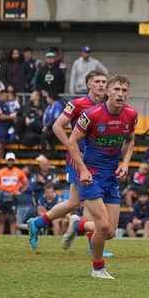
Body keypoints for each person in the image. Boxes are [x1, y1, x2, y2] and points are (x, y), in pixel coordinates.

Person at [65, 75, 138, 277]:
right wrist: (83, 169)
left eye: (124, 91)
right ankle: (98, 268)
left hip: (111, 175)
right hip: (91, 174)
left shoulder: (131, 115)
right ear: (108, 91)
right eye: (116, 90)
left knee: (111, 232)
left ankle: (78, 224)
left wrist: (125, 162)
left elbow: (130, 141)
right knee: (103, 225)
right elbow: (72, 142)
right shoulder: (92, 114)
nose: (120, 94)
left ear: (128, 94)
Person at [26, 70, 107, 251]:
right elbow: (57, 126)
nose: (102, 85)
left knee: (74, 202)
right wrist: (72, 146)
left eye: (104, 82)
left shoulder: (106, 105)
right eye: (98, 81)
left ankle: (38, 223)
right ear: (89, 85)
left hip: (96, 159)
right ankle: (93, 245)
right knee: (91, 198)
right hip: (79, 159)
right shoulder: (77, 104)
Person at [0, 152, 28, 235]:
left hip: (12, 196)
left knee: (12, 218)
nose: (10, 162)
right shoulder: (0, 172)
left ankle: (13, 236)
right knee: (1, 218)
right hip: (2, 195)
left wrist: (20, 191)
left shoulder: (19, 172)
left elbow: (26, 184)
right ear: (6, 161)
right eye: (9, 160)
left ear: (14, 161)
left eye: (11, 160)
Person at [0, 87, 20, 162]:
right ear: (0, 96)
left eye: (7, 96)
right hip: (0, 127)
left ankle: (0, 160)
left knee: (3, 144)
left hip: (7, 128)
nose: (7, 97)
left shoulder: (6, 105)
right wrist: (11, 116)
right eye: (5, 96)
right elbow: (1, 116)